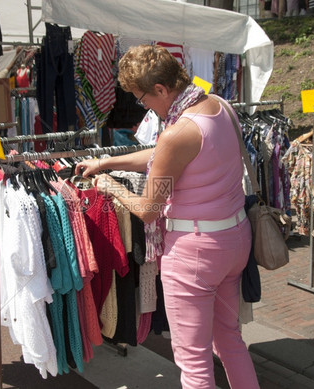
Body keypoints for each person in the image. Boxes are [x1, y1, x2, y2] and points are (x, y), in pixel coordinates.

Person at [75, 45, 259, 389]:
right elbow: (165, 154)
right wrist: (107, 162)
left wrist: (112, 187)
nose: (143, 105)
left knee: (193, 361)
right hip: (234, 238)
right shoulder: (218, 106)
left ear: (160, 89)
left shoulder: (178, 131)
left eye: (142, 97)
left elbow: (147, 210)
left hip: (195, 252)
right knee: (229, 340)